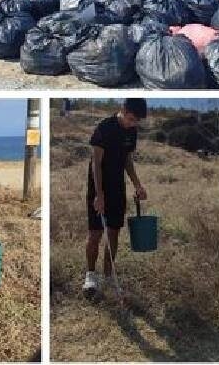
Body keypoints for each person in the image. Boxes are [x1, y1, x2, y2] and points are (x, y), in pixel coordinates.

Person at [83, 98, 149, 296]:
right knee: (95, 233)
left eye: (136, 121)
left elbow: (127, 160)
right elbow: (96, 163)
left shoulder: (132, 131)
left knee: (114, 232)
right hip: (98, 187)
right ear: (123, 110)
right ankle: (91, 275)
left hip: (117, 187)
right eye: (130, 119)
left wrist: (138, 185)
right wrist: (99, 195)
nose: (132, 124)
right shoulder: (105, 128)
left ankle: (108, 277)